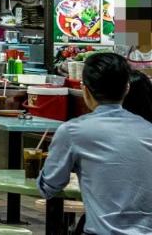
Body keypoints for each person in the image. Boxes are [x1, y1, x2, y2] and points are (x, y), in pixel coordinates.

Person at [39, 53, 152, 234]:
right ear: (127, 88)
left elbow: (49, 186)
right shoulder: (148, 129)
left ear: (85, 90)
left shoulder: (73, 131)